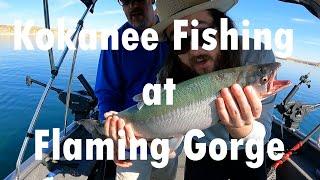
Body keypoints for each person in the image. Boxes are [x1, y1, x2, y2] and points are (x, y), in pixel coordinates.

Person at [152, 0, 276, 179]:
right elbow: (161, 130)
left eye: (203, 34)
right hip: (201, 148)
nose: (195, 51)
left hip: (249, 151)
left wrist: (244, 130)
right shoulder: (168, 74)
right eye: (180, 41)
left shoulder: (256, 57)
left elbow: (263, 132)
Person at [94, 0, 173, 179]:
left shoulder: (174, 33)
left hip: (170, 140)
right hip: (132, 146)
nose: (132, 5)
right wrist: (112, 136)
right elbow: (107, 94)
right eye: (125, 1)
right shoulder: (115, 42)